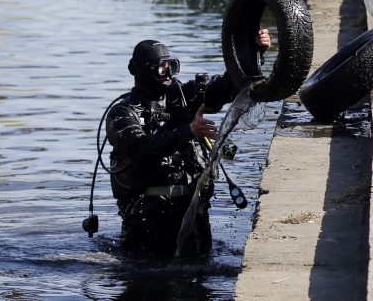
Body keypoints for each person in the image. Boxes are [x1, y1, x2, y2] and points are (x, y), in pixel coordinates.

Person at [106, 31, 270, 256]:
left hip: (193, 214)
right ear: (141, 69)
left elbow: (227, 87)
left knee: (200, 275)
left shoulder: (184, 98)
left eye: (171, 64)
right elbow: (140, 148)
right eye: (160, 66)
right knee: (147, 282)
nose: (168, 71)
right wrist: (189, 131)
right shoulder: (123, 112)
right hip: (147, 222)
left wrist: (254, 53)